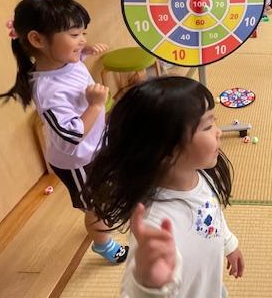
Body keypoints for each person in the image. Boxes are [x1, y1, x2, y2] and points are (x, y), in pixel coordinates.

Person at [0, 0, 127, 263]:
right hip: (77, 161)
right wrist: (95, 105)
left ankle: (105, 210)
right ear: (37, 40)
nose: (82, 40)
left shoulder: (64, 61)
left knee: (106, 188)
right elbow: (70, 137)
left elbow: (73, 68)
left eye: (83, 33)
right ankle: (103, 244)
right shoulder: (49, 91)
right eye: (75, 35)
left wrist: (84, 52)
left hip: (94, 146)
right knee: (96, 208)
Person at [84, 77, 244, 297]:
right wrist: (149, 284)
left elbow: (212, 216)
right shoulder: (155, 224)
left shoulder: (198, 176)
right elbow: (133, 291)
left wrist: (229, 244)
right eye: (208, 126)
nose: (219, 132)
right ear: (166, 149)